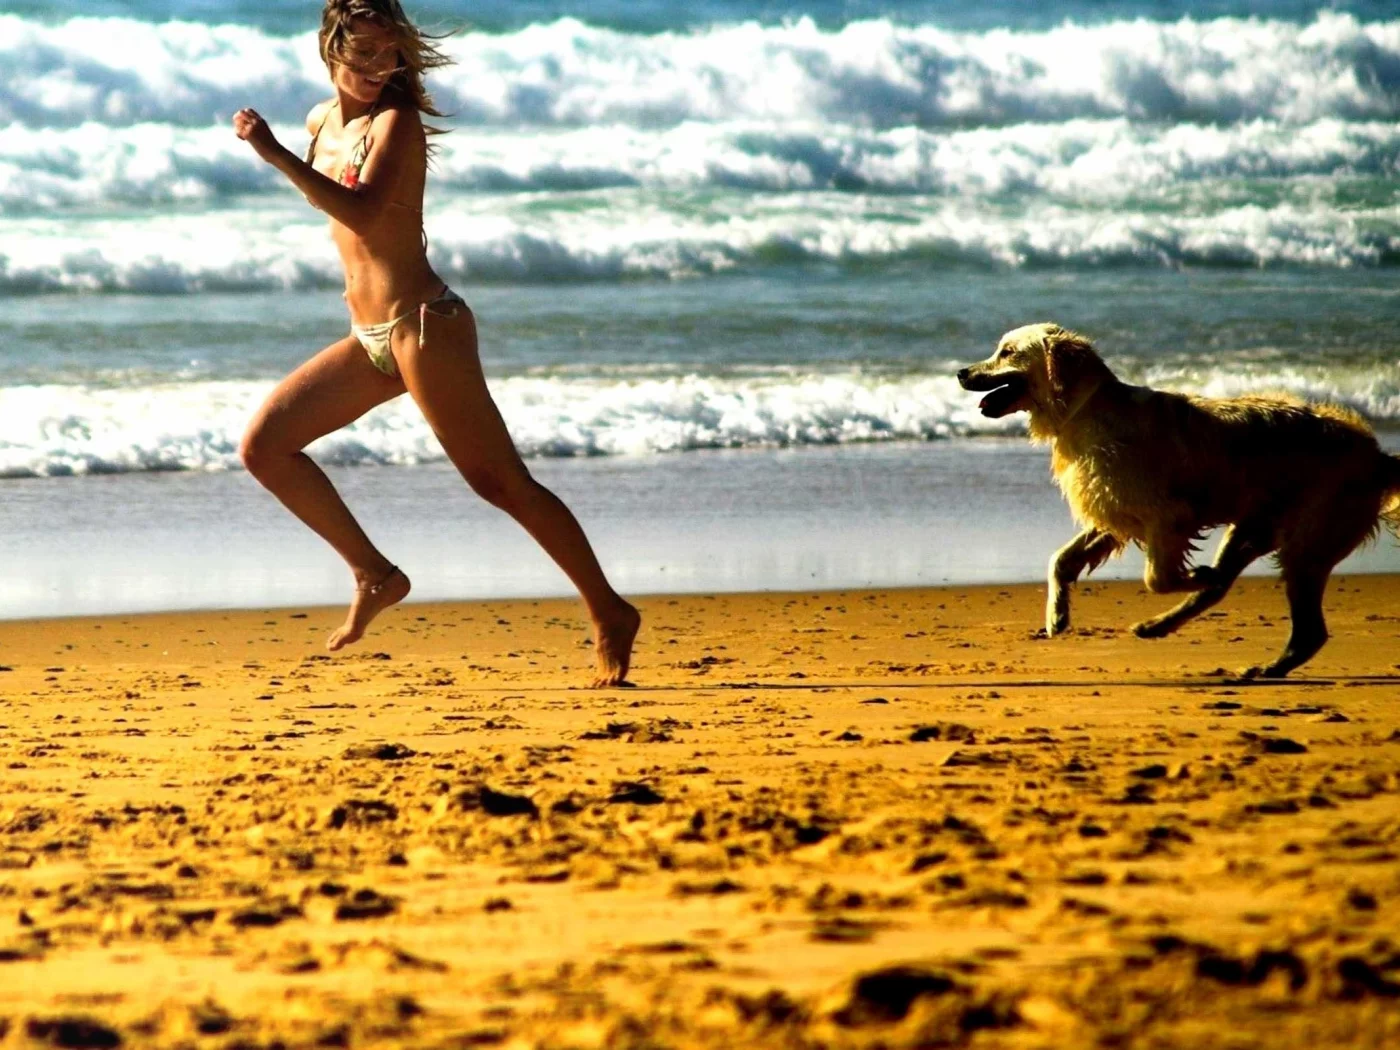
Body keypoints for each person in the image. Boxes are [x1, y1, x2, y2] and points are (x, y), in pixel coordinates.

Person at [231, 0, 639, 686]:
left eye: (389, 54)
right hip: (368, 337)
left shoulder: (399, 120)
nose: (378, 67)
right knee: (264, 447)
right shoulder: (321, 120)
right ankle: (374, 573)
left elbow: (362, 211)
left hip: (426, 326)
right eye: (363, 54)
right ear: (330, 49)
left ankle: (608, 610)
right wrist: (288, 149)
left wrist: (274, 157)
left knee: (500, 483)